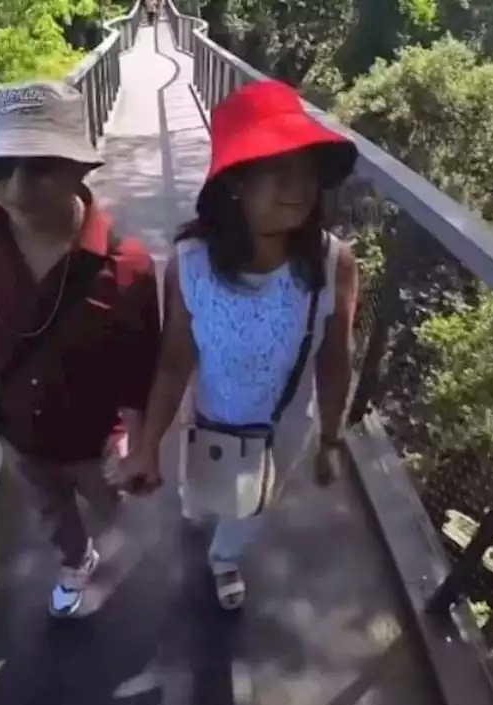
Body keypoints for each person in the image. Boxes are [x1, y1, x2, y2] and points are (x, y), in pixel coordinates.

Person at [119, 80, 359, 610]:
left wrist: (332, 439)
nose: (297, 186)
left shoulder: (333, 265)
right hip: (207, 417)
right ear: (235, 184)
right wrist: (147, 446)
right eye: (275, 169)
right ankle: (197, 506)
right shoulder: (191, 264)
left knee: (252, 505)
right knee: (200, 491)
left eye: (306, 169)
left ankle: (225, 557)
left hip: (283, 426)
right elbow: (174, 361)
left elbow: (335, 356)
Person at [0, 80, 162, 619]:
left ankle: (109, 536)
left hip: (96, 437)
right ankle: (75, 559)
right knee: (50, 510)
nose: (17, 186)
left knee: (109, 504)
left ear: (79, 168)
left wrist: (138, 443)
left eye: (39, 166)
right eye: (2, 168)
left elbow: (140, 365)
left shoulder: (127, 266)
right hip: (19, 432)